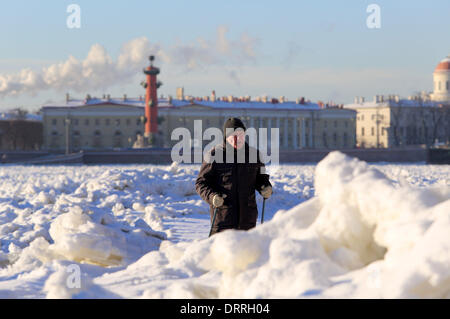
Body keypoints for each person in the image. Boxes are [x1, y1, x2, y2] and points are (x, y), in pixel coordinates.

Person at [195, 117, 272, 236]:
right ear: (226, 136)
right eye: (233, 135)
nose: (237, 138)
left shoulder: (254, 155)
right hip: (222, 220)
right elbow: (201, 183)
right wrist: (212, 197)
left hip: (247, 222)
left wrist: (265, 187)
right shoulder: (214, 155)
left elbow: (261, 178)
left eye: (240, 134)